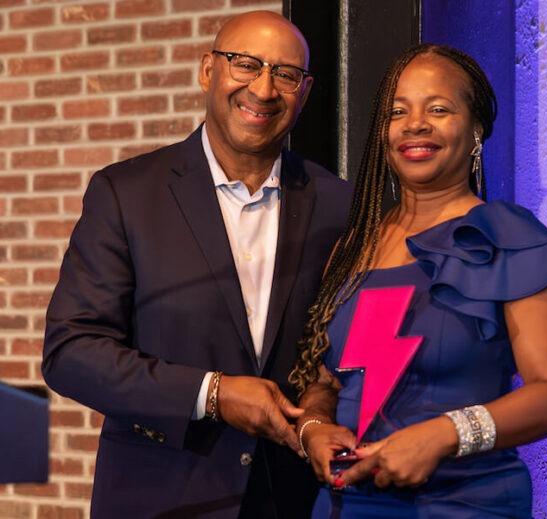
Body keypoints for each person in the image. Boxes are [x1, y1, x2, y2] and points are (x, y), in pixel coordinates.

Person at [42, 11, 351, 518]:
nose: (265, 88)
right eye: (246, 64)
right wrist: (213, 394)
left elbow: (339, 351)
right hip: (162, 496)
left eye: (286, 74)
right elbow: (72, 353)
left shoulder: (338, 204)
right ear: (208, 70)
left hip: (293, 500)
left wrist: (319, 413)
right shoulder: (126, 194)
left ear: (306, 90)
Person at [290, 44, 547, 517]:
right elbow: (326, 377)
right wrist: (314, 425)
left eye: (438, 109)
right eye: (398, 111)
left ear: (476, 130)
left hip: (463, 504)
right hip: (343, 505)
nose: (415, 123)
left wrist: (442, 435)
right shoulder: (352, 246)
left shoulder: (510, 240)